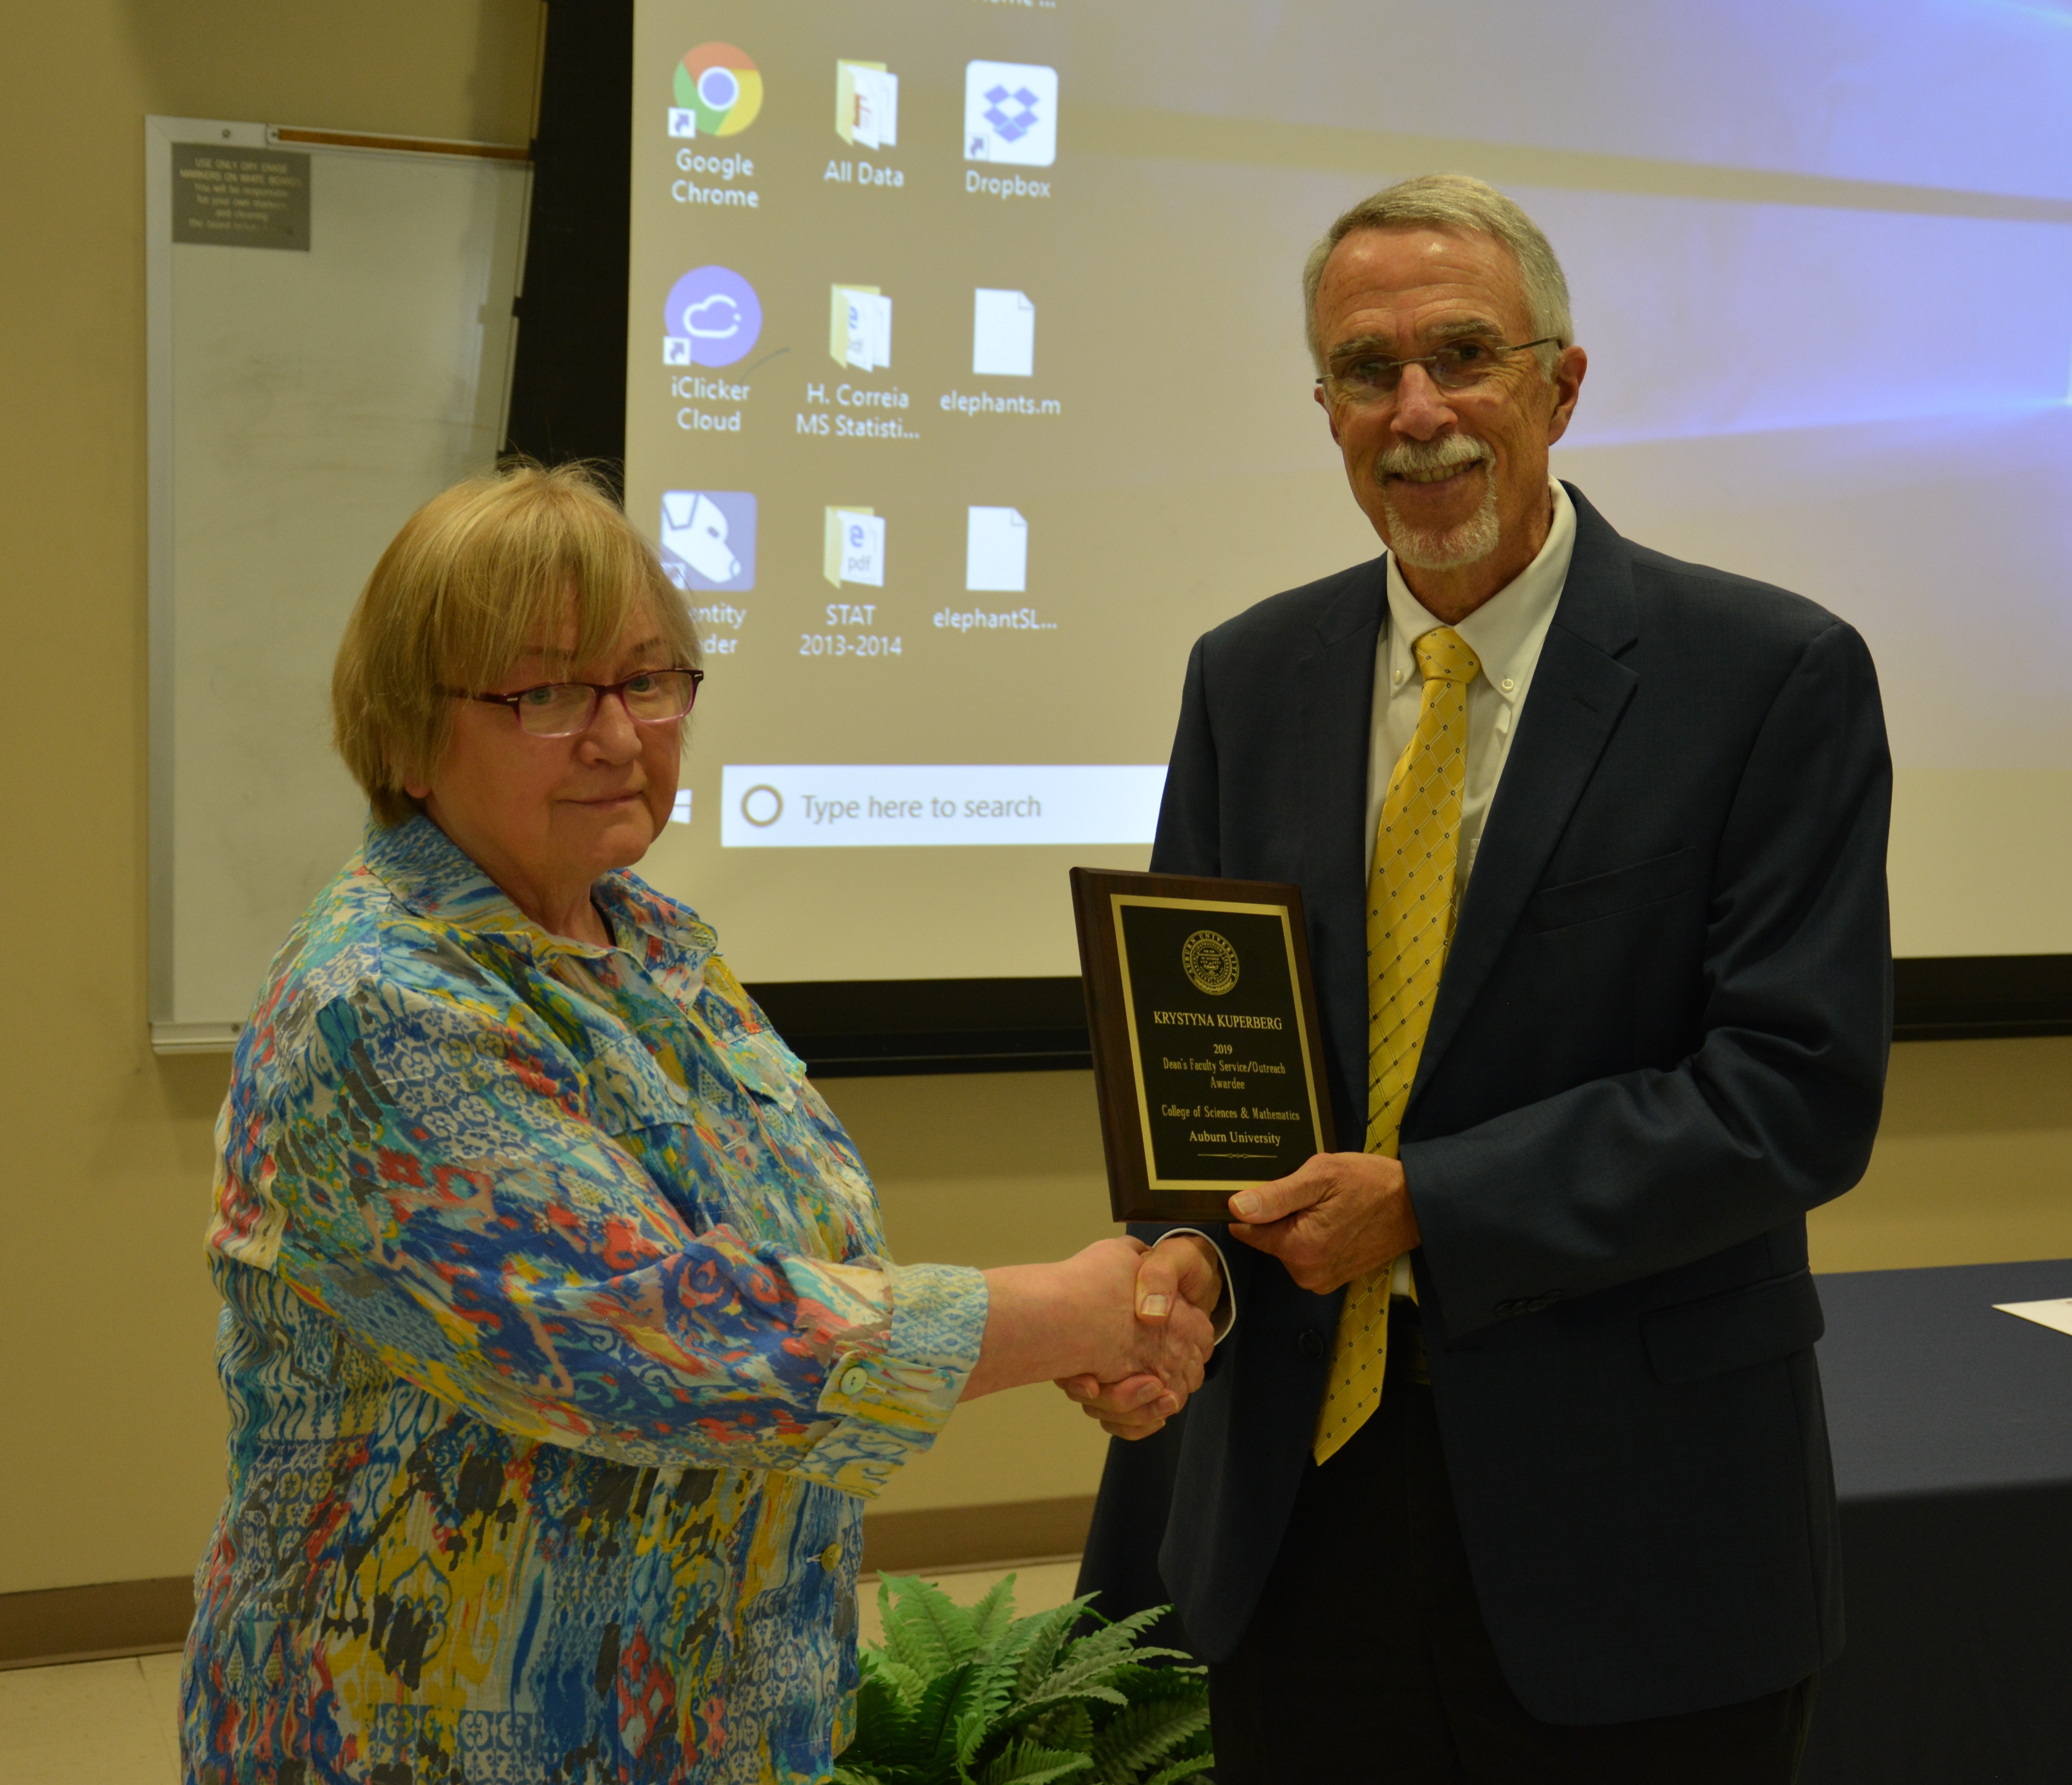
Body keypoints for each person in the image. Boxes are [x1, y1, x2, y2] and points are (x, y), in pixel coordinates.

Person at [178, 461, 1214, 1785]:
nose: (618, 736)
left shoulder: (652, 940)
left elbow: (803, 1255)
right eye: (546, 692)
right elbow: (658, 1338)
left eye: (649, 680)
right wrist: (1059, 1315)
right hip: (428, 1725)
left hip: (705, 1715)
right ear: (398, 735)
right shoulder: (377, 1000)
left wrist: (1085, 1327)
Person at [1064, 174, 1892, 1782]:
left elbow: (1795, 1089)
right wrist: (1174, 1266)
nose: (1417, 410)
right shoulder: (1248, 676)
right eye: (1365, 372)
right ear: (1325, 409)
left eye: (1464, 355)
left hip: (1638, 1539)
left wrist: (1430, 1201)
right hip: (1299, 1519)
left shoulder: (1767, 676)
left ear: (1559, 385)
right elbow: (1208, 1072)